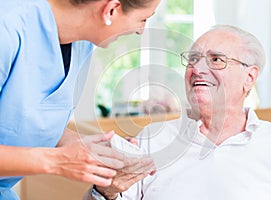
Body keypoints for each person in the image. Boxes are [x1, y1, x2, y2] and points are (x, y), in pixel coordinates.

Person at [92, 25, 271, 200]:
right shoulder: (152, 137)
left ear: (249, 78)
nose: (197, 68)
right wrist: (107, 189)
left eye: (216, 59)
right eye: (192, 59)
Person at [0, 0, 160, 199]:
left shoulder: (81, 44)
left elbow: (24, 119)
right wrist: (56, 161)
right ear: (111, 10)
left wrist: (93, 149)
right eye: (143, 19)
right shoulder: (7, 27)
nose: (141, 31)